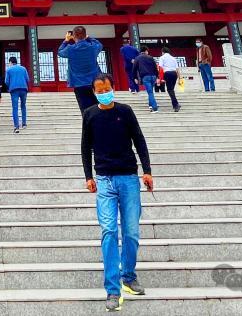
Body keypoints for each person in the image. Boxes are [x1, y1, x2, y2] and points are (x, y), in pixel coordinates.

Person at [81, 73, 153, 312]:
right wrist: (88, 177)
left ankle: (129, 276)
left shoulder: (126, 111)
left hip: (129, 178)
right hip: (104, 180)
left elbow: (139, 140)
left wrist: (147, 170)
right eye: (99, 90)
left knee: (131, 232)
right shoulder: (90, 115)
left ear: (113, 87)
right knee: (109, 231)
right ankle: (113, 289)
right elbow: (85, 147)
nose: (103, 92)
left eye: (107, 88)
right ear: (94, 92)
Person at [59, 26, 103, 115]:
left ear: (73, 36)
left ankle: (88, 127)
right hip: (95, 82)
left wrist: (66, 40)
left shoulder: (70, 49)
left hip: (79, 84)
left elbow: (60, 52)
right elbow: (100, 44)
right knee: (99, 108)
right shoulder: (93, 47)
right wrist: (88, 38)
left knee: (85, 111)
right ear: (85, 35)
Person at [5, 56, 30, 132]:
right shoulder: (23, 68)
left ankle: (16, 126)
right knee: (23, 106)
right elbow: (27, 79)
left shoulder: (9, 70)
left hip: (14, 90)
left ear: (10, 62)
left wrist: (10, 87)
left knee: (15, 108)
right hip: (23, 89)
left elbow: (6, 81)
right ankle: (24, 123)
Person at [132, 46, 160, 113]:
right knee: (151, 91)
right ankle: (151, 105)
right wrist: (157, 76)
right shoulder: (150, 57)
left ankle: (154, 108)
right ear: (146, 51)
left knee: (150, 92)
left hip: (145, 77)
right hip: (153, 76)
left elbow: (134, 69)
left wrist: (135, 78)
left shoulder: (137, 58)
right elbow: (155, 68)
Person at [157, 46, 180, 112]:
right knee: (171, 89)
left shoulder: (162, 58)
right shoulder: (173, 58)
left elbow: (160, 68)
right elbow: (177, 69)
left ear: (163, 52)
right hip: (174, 74)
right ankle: (176, 103)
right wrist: (179, 78)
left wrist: (160, 78)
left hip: (167, 73)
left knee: (170, 90)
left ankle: (176, 105)